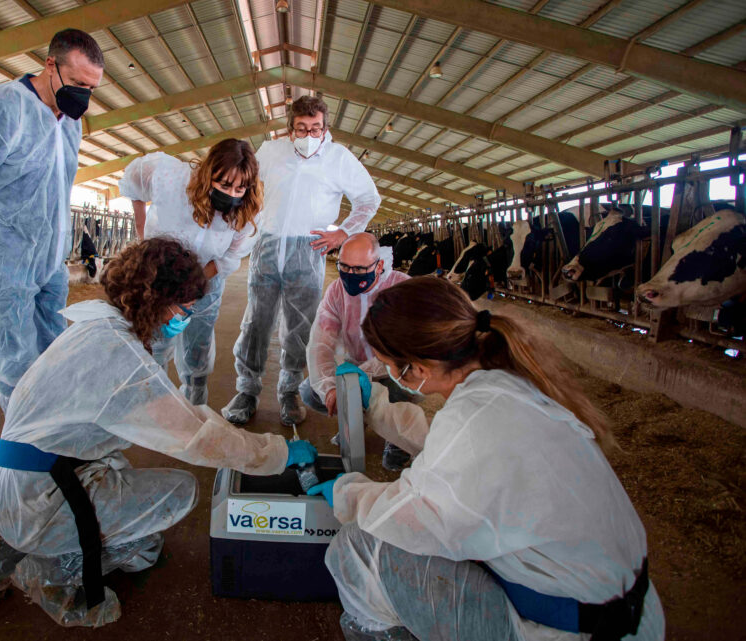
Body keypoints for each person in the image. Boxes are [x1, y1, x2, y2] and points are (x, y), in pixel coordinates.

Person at [0, 238, 316, 627]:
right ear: (155, 298)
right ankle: (55, 569)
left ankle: (6, 544)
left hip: (18, 479)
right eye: (184, 308)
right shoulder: (120, 357)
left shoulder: (96, 324)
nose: (187, 317)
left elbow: (173, 417)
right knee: (174, 501)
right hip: (38, 497)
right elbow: (196, 437)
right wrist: (276, 453)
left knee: (138, 526)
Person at [308, 276, 665, 641]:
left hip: (573, 629)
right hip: (627, 609)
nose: (385, 372)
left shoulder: (474, 416)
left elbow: (416, 518)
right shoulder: (506, 382)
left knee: (357, 545)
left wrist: (349, 493)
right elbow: (448, 446)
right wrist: (377, 405)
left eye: (385, 365)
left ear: (416, 369)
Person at [0, 29, 104, 411]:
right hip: (4, 261)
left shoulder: (70, 123)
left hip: (50, 261)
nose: (83, 94)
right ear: (50, 65)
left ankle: (53, 438)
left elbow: (58, 188)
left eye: (91, 88)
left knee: (53, 356)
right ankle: (25, 457)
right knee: (15, 365)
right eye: (78, 82)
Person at [223, 95, 381, 427]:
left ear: (326, 128)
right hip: (268, 245)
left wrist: (343, 232)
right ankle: (247, 391)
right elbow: (248, 182)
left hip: (310, 249)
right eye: (301, 129)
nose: (309, 136)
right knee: (256, 321)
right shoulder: (271, 151)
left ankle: (289, 391)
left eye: (316, 129)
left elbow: (368, 199)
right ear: (290, 128)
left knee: (300, 326)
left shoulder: (339, 158)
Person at [118, 138, 263, 405]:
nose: (232, 194)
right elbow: (133, 179)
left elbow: (229, 257)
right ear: (208, 173)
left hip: (205, 282)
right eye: (224, 185)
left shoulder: (245, 212)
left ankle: (193, 404)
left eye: (240, 188)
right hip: (159, 278)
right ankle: (154, 404)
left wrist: (192, 287)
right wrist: (142, 235)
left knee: (198, 345)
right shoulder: (171, 177)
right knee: (154, 342)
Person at [301, 232, 416, 471]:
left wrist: (358, 377)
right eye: (345, 267)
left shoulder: (402, 288)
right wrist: (330, 388)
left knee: (400, 388)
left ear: (379, 264)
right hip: (357, 365)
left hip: (394, 369)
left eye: (360, 269)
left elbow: (406, 351)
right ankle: (356, 419)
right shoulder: (336, 291)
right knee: (310, 391)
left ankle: (398, 440)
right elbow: (320, 342)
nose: (350, 275)